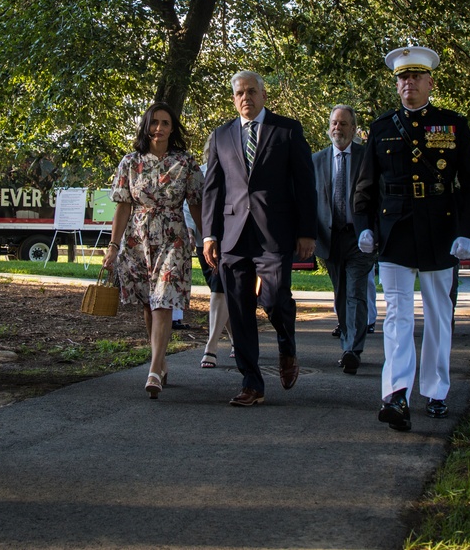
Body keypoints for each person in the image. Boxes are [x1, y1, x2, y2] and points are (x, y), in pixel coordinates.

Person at [353, 46, 470, 431]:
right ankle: (396, 395)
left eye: (415, 77)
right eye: (402, 78)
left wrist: (468, 233)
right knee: (397, 316)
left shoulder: (452, 125)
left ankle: (437, 390)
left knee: (439, 315)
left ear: (430, 82)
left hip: (440, 231)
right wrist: (364, 225)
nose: (408, 83)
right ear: (396, 85)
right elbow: (365, 188)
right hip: (394, 233)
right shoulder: (380, 129)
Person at [202, 70, 316, 406]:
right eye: (239, 93)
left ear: (264, 95)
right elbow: (212, 189)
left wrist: (307, 231)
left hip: (275, 233)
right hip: (233, 236)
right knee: (239, 308)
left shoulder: (287, 130)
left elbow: (305, 184)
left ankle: (286, 344)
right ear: (233, 98)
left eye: (252, 92)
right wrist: (210, 234)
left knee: (274, 298)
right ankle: (251, 382)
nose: (246, 98)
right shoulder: (221, 135)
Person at [102, 102, 203, 399]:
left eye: (165, 123)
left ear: (173, 128)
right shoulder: (130, 162)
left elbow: (196, 204)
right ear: (146, 127)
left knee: (163, 301)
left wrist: (207, 236)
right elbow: (122, 206)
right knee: (148, 302)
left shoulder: (185, 162)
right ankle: (160, 361)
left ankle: (154, 370)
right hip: (138, 238)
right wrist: (113, 245)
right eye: (154, 123)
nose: (159, 128)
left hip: (173, 235)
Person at [313, 105, 374, 374]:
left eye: (343, 124)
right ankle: (348, 342)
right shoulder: (317, 161)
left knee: (355, 292)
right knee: (340, 294)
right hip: (331, 237)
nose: (337, 128)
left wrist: (373, 232)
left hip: (359, 238)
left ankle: (352, 350)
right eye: (334, 123)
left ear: (353, 128)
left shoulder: (366, 157)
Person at [188, 140, 234, 369]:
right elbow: (189, 205)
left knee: (220, 289)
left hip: (229, 240)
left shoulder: (234, 172)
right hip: (203, 241)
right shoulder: (200, 174)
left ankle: (211, 347)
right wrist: (189, 231)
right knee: (220, 290)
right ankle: (238, 340)